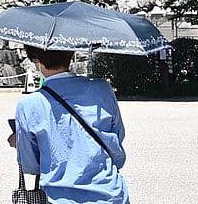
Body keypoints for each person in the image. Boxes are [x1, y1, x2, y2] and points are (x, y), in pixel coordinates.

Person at [11, 46, 129, 204]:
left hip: (60, 197)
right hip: (109, 193)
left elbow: (30, 165)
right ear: (71, 53)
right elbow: (117, 139)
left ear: (36, 60)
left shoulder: (29, 104)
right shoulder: (102, 89)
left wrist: (18, 143)